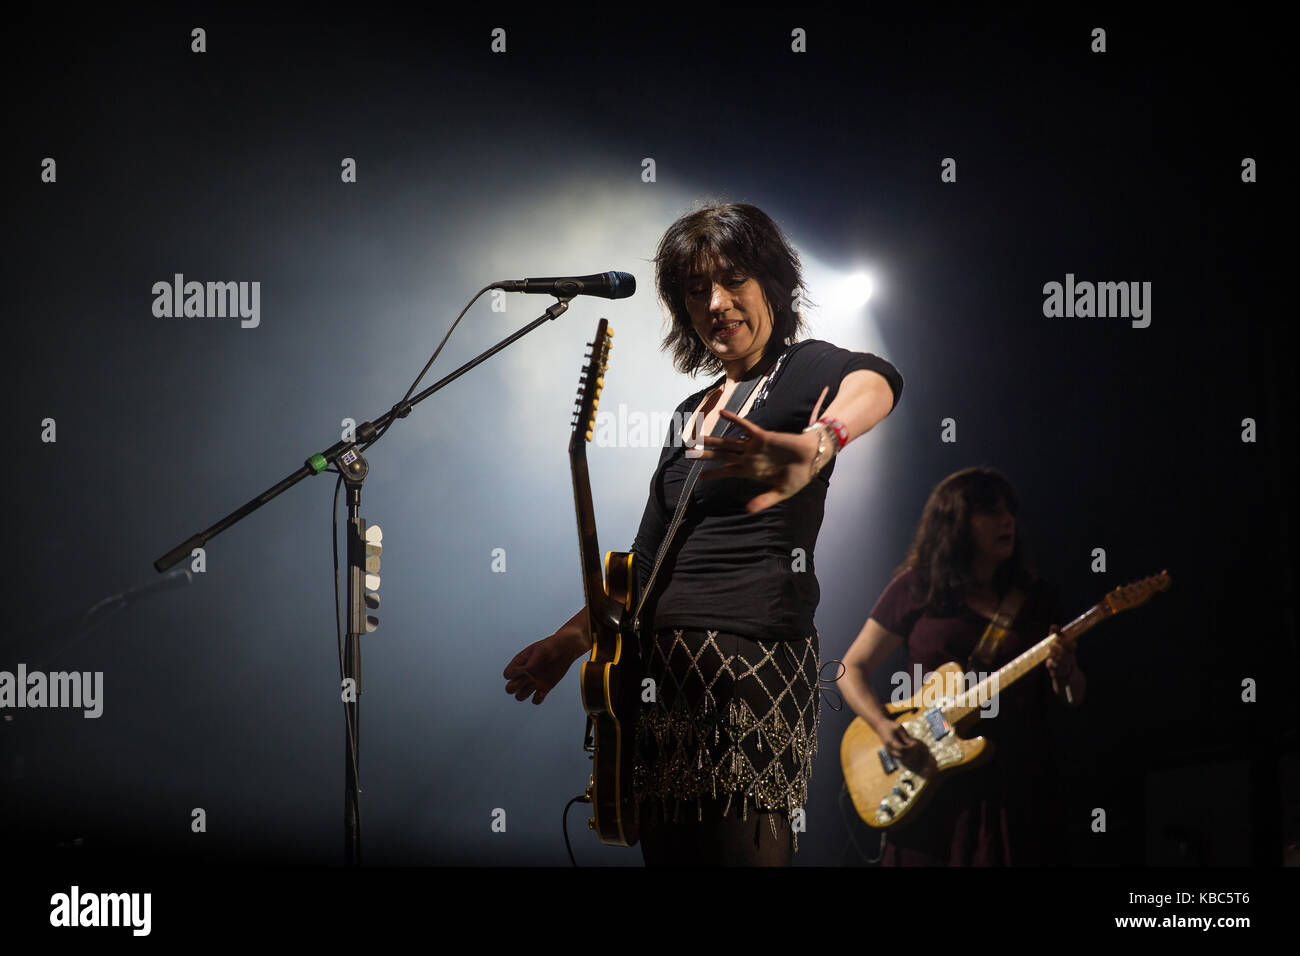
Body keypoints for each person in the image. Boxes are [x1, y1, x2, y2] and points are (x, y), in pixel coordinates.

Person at [503, 201, 903, 865]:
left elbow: (880, 379)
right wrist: (568, 642)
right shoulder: (691, 413)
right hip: (661, 693)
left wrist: (817, 443)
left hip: (749, 675)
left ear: (771, 282)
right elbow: (644, 565)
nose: (717, 302)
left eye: (734, 279)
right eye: (697, 291)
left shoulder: (803, 368)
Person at [837, 466, 1086, 865]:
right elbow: (851, 668)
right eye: (990, 511)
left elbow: (1073, 698)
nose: (1007, 520)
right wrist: (884, 728)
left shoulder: (1036, 598)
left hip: (1012, 788)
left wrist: (1066, 674)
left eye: (1010, 510)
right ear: (954, 522)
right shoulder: (917, 587)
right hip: (928, 784)